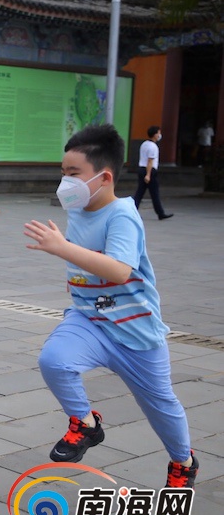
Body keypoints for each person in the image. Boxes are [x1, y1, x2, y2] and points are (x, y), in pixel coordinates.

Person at [24, 124, 197, 488]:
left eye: (73, 174)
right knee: (54, 360)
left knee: (161, 406)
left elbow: (119, 270)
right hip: (90, 321)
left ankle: (183, 462)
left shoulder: (122, 214)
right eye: (63, 172)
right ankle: (86, 424)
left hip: (136, 333)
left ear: (103, 177)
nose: (65, 182)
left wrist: (62, 248)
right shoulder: (79, 209)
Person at [133, 125, 173, 220]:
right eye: (158, 133)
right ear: (155, 135)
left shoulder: (144, 144)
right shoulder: (153, 147)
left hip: (141, 169)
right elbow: (150, 161)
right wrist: (148, 175)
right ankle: (160, 213)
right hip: (149, 170)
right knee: (154, 193)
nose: (160, 135)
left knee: (139, 193)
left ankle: (132, 211)